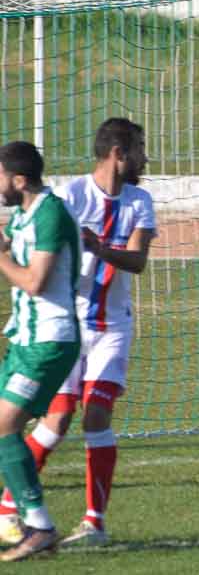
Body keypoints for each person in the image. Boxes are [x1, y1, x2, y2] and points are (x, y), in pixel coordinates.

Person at [0, 118, 156, 548]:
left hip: (112, 326)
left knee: (97, 414)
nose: (145, 158)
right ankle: (9, 509)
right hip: (69, 323)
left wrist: (100, 248)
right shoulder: (71, 196)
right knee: (57, 417)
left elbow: (138, 261)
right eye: (139, 149)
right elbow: (27, 239)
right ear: (118, 153)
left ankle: (93, 524)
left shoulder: (140, 201)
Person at [0, 141, 81, 561]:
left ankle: (39, 526)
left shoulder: (51, 214)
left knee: (5, 425)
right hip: (25, 339)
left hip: (50, 341)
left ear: (19, 180)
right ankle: (27, 521)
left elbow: (35, 282)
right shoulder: (23, 215)